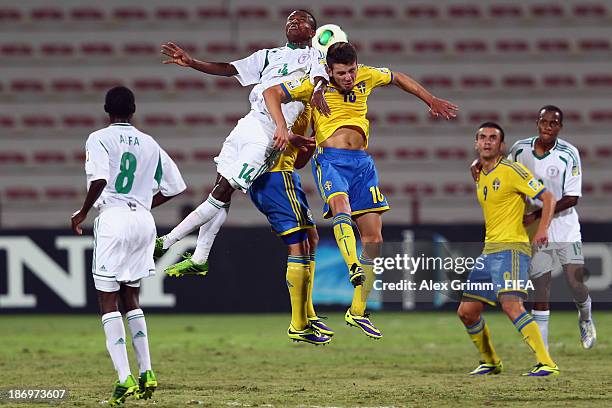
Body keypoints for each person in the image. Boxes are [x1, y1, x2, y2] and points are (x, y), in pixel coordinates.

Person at [263, 42, 458, 339]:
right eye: (341, 73)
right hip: (331, 161)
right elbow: (271, 93)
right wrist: (281, 126)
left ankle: (356, 311)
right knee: (340, 208)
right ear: (329, 70)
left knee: (374, 238)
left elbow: (397, 77)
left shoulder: (367, 75)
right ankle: (353, 265)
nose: (348, 77)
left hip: (362, 164)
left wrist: (429, 99)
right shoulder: (314, 85)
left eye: (351, 71)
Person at [156, 10, 329, 276]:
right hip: (249, 122)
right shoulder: (269, 55)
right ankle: (200, 257)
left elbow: (319, 80)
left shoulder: (316, 57)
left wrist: (316, 93)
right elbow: (229, 69)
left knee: (224, 190)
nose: (294, 22)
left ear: (312, 32)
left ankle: (167, 241)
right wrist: (193, 62)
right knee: (219, 186)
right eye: (290, 19)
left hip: (272, 131)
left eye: (302, 20)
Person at [70, 86, 186, 405]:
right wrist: (145, 202)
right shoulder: (150, 142)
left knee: (108, 302)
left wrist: (81, 212)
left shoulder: (99, 138)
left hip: (114, 218)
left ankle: (124, 380)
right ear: (134, 110)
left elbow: (100, 180)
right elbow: (176, 186)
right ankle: (147, 371)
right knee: (131, 297)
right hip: (143, 220)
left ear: (106, 110)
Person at [458, 122, 559, 377]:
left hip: (512, 248)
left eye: (493, 138)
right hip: (489, 250)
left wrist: (543, 229)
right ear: (476, 143)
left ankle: (547, 362)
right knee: (467, 312)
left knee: (512, 305)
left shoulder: (513, 170)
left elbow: (548, 198)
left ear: (502, 145)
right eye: (482, 137)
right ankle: (491, 361)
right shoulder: (480, 173)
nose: (487, 142)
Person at [508, 106, 595, 349]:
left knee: (575, 281)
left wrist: (537, 212)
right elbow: (504, 174)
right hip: (535, 227)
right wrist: (479, 164)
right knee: (541, 286)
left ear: (560, 127)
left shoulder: (569, 153)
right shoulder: (519, 149)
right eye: (544, 121)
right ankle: (542, 353)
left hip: (564, 223)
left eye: (553, 123)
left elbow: (572, 198)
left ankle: (585, 316)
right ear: (537, 122)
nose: (548, 126)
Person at [249, 107, 333, 345]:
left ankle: (308, 314)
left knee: (311, 238)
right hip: (274, 177)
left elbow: (298, 162)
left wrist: (313, 142)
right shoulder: (288, 100)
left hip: (285, 174)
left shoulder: (308, 108)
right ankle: (299, 324)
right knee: (299, 245)